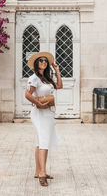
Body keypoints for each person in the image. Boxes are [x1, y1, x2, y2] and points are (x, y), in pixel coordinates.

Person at [25, 52, 63, 187]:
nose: (44, 62)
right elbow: (27, 94)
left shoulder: (46, 78)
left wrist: (57, 71)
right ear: (36, 63)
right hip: (39, 113)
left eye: (46, 61)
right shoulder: (34, 78)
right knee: (44, 142)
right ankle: (42, 173)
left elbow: (59, 86)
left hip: (48, 113)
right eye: (41, 60)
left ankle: (37, 171)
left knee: (42, 141)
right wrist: (37, 102)